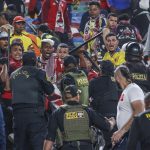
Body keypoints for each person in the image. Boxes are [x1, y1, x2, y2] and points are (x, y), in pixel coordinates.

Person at [43, 85, 116, 150]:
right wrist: (112, 121)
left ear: (64, 97)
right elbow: (107, 126)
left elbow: (49, 139)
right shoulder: (88, 111)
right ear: (77, 96)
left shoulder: (57, 113)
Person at [10, 51, 54, 150]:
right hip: (34, 114)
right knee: (38, 144)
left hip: (17, 115)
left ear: (22, 61)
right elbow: (50, 91)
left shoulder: (13, 74)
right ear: (35, 61)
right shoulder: (39, 72)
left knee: (20, 145)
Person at [111, 65, 145, 150]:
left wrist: (121, 131)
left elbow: (139, 111)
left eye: (115, 78)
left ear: (118, 77)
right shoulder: (127, 90)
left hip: (133, 136)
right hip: (127, 136)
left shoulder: (133, 89)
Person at [89, 60, 118, 150]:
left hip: (100, 119)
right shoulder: (117, 82)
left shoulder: (94, 82)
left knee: (102, 144)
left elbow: (87, 99)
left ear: (101, 70)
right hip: (116, 118)